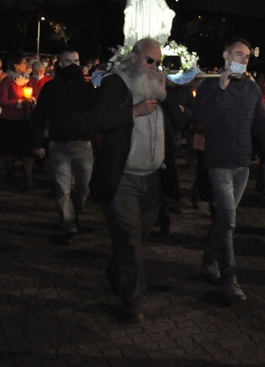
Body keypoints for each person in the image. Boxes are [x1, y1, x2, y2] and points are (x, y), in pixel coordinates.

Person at [89, 38, 179, 323]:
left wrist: (171, 92)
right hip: (123, 179)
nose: (154, 67)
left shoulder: (159, 86)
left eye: (158, 62)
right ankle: (131, 302)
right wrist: (133, 112)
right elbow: (97, 120)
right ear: (134, 56)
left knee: (138, 238)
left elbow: (181, 122)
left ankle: (116, 273)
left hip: (152, 180)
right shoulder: (116, 84)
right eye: (149, 60)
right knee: (131, 243)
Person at [193, 38, 265, 304]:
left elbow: (263, 123)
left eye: (246, 56)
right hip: (218, 161)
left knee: (223, 219)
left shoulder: (252, 89)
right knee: (229, 220)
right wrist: (219, 89)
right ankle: (230, 279)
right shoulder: (211, 84)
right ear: (225, 55)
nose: (244, 60)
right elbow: (198, 117)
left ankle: (209, 261)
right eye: (239, 55)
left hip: (243, 163)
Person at [30, 50, 96, 246]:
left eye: (76, 60)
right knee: (62, 188)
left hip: (83, 144)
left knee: (84, 187)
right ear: (60, 63)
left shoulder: (86, 88)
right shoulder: (51, 88)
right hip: (59, 144)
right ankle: (69, 224)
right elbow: (40, 116)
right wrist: (36, 143)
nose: (74, 65)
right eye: (69, 61)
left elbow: (95, 113)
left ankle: (75, 213)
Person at [0, 53, 36, 189]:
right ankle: (10, 174)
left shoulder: (29, 81)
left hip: (26, 120)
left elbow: (35, 94)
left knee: (27, 151)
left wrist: (32, 101)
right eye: (25, 63)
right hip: (10, 120)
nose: (27, 66)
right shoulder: (7, 81)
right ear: (16, 65)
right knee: (10, 150)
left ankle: (28, 178)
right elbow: (2, 101)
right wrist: (20, 101)